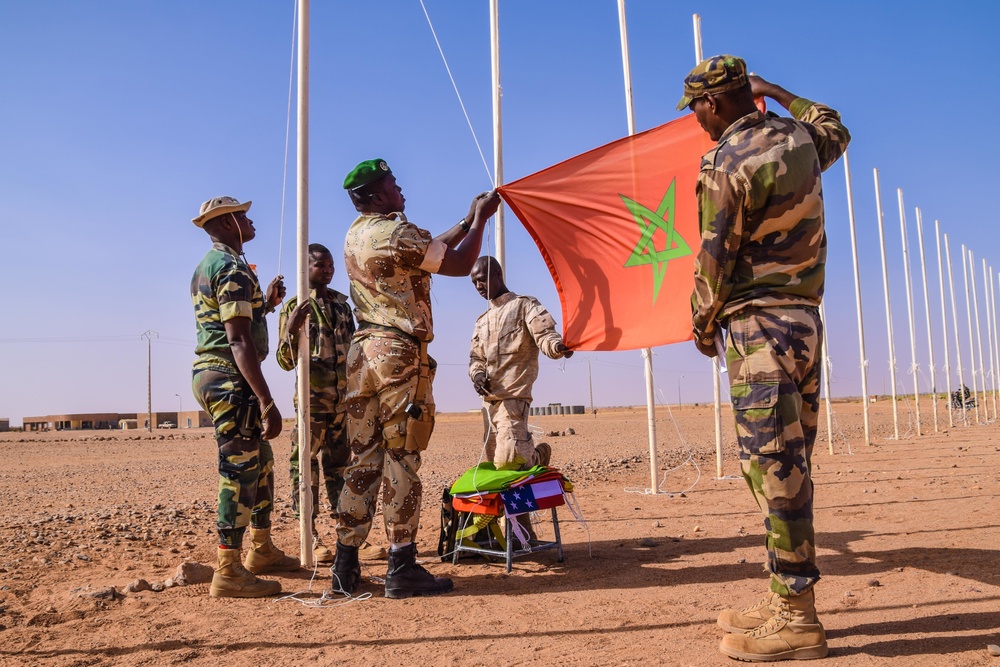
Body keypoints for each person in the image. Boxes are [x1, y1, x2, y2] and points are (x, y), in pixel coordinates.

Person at [680, 55, 850, 660]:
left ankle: (798, 619)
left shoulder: (725, 161)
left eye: (697, 107)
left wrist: (701, 323)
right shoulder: (799, 137)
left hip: (758, 331)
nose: (696, 119)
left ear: (715, 103)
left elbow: (714, 255)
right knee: (788, 465)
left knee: (775, 471)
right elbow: (836, 125)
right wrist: (778, 91)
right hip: (803, 323)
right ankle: (783, 596)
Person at [332, 158, 500, 599]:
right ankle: (401, 564)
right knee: (402, 456)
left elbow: (427, 251)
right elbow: (460, 264)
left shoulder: (358, 233)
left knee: (363, 460)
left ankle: (344, 566)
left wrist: (465, 220)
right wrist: (481, 223)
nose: (400, 188)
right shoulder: (397, 232)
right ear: (374, 195)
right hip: (398, 356)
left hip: (363, 354)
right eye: (391, 184)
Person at [189, 195, 300, 598]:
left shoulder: (215, 266)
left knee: (262, 462)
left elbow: (235, 324)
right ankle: (229, 569)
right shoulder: (231, 267)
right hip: (228, 377)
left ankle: (261, 549)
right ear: (221, 225)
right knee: (238, 471)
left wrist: (266, 307)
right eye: (241, 217)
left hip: (217, 374)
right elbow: (236, 340)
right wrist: (267, 400)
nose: (249, 221)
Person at [276, 243, 386, 564]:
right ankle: (308, 539)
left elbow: (356, 353)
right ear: (305, 267)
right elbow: (284, 361)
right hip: (312, 405)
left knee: (341, 472)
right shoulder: (295, 305)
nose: (327, 270)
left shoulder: (341, 304)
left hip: (343, 405)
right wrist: (293, 327)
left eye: (330, 265)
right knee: (305, 472)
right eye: (320, 265)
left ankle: (349, 540)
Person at [468, 255, 573, 470]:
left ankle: (537, 456)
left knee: (509, 461)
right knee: (494, 465)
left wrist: (558, 347)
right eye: (474, 282)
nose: (479, 286)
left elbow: (545, 336)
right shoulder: (482, 321)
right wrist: (477, 375)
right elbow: (476, 358)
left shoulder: (524, 306)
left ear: (498, 274)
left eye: (482, 279)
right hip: (488, 404)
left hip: (514, 399)